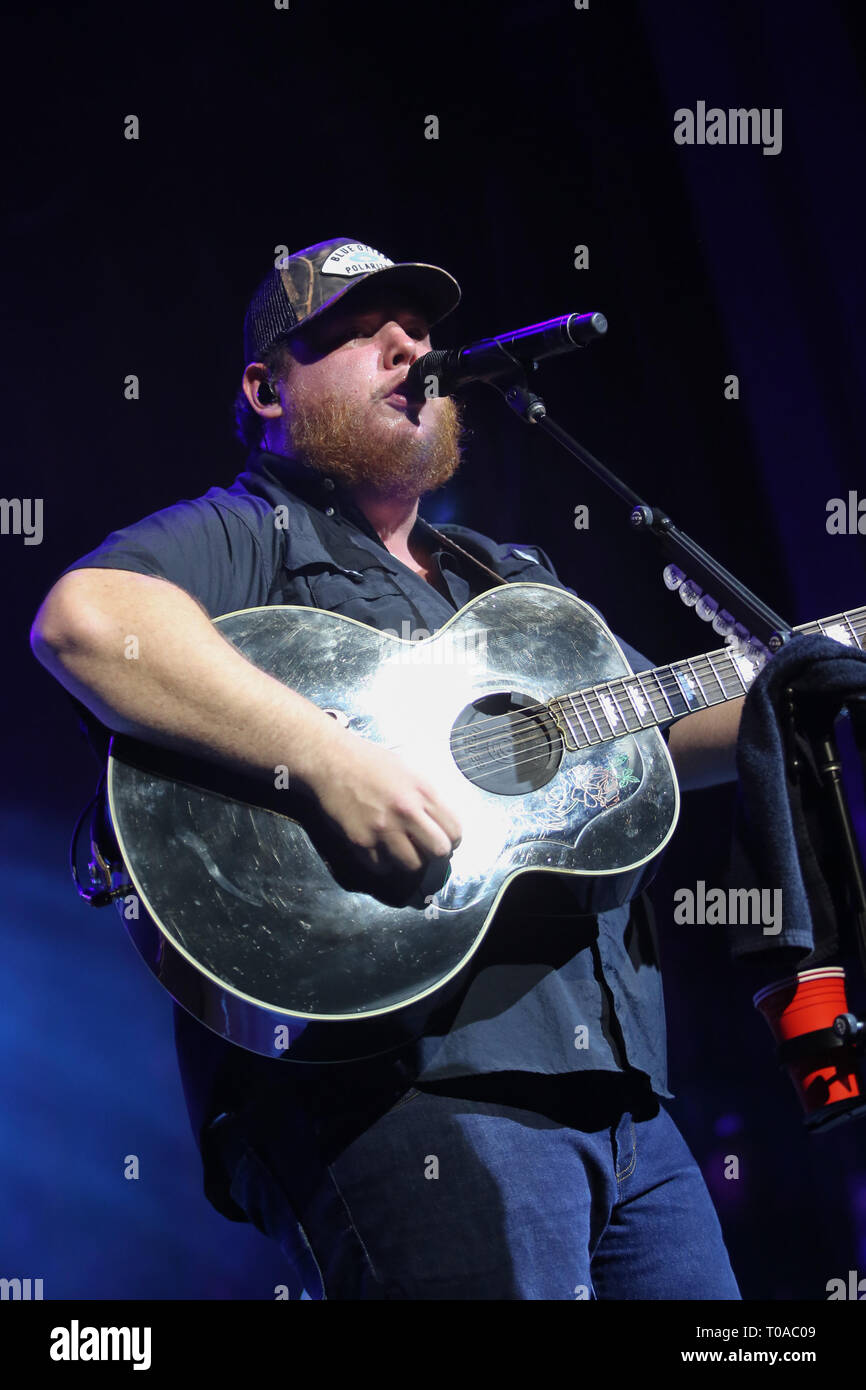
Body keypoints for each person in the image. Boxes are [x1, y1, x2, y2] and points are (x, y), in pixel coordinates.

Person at [31, 236, 745, 1300]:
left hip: (621, 1097)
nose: (408, 344)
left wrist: (801, 675)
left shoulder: (505, 581)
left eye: (418, 327)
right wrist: (327, 756)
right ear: (266, 388)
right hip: (402, 1087)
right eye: (360, 330)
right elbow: (85, 621)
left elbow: (669, 719)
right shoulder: (246, 532)